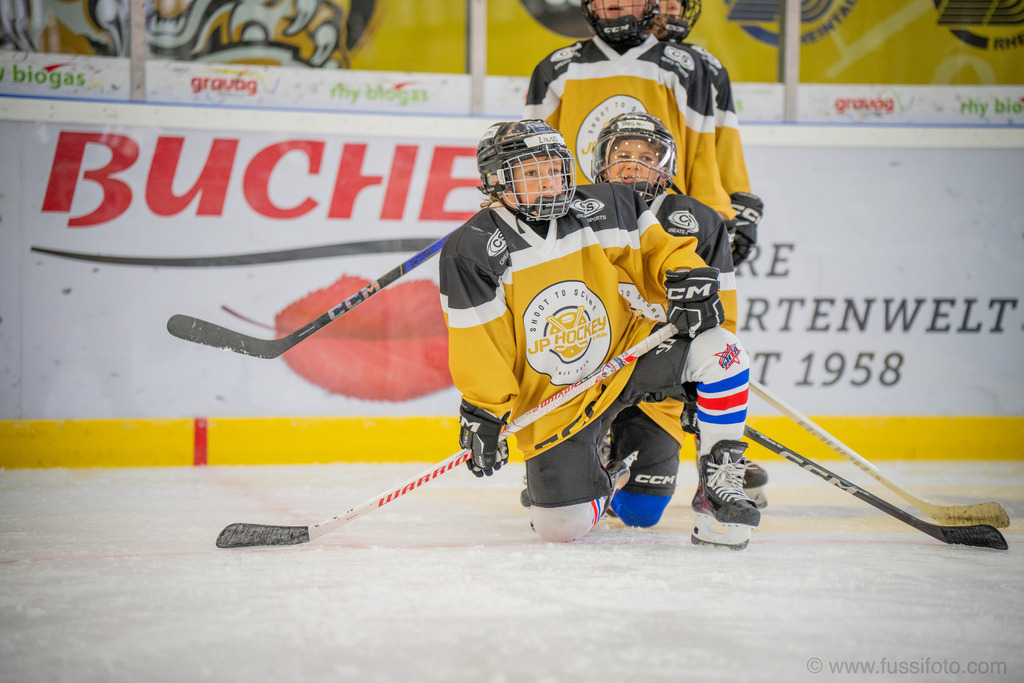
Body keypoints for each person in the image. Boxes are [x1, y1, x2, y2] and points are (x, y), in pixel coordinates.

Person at [439, 119, 760, 549]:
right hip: (559, 399)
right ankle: (604, 477)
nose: (549, 183)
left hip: (626, 358)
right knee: (560, 527)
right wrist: (485, 410)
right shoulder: (471, 250)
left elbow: (661, 252)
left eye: (554, 170)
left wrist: (687, 277)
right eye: (531, 173)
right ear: (497, 181)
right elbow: (480, 343)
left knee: (722, 350)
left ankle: (717, 485)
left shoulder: (608, 204)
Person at [588, 111, 768, 531]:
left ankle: (704, 479)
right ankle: (583, 464)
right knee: (561, 502)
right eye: (622, 155)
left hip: (660, 364)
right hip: (594, 369)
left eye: (646, 157)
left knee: (640, 514)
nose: (633, 165)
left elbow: (724, 318)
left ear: (666, 167)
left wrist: (695, 388)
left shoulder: (700, 220)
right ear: (601, 163)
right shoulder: (578, 212)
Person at [523, 0, 734, 221]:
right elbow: (538, 156)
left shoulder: (683, 67)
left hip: (665, 224)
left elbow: (702, 154)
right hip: (581, 224)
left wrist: (712, 213)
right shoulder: (555, 69)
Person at [650, 0, 764, 265]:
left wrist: (737, 201)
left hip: (686, 221)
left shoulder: (706, 66)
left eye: (677, 2)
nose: (673, 8)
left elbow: (725, 145)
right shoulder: (589, 64)